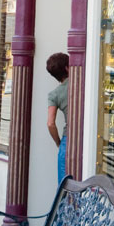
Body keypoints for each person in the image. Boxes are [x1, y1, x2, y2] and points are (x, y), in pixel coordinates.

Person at [46, 52, 68, 184]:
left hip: (68, 140)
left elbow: (50, 123)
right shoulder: (84, 84)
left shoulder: (54, 94)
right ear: (67, 68)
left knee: (64, 189)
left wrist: (59, 143)